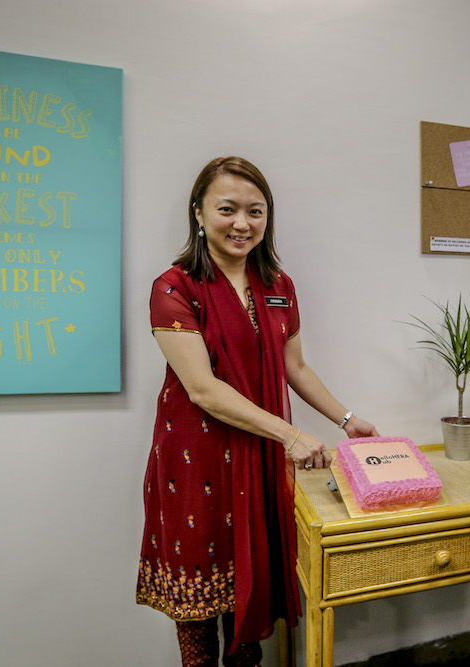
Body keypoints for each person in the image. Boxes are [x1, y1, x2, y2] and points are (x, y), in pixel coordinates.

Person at [136, 156, 378, 666]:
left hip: (259, 455)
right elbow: (202, 389)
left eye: (255, 211)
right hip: (197, 461)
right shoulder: (174, 288)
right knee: (199, 602)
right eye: (227, 209)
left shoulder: (278, 286)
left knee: (250, 600)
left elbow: (296, 367)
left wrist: (346, 419)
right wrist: (291, 436)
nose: (242, 223)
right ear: (198, 213)